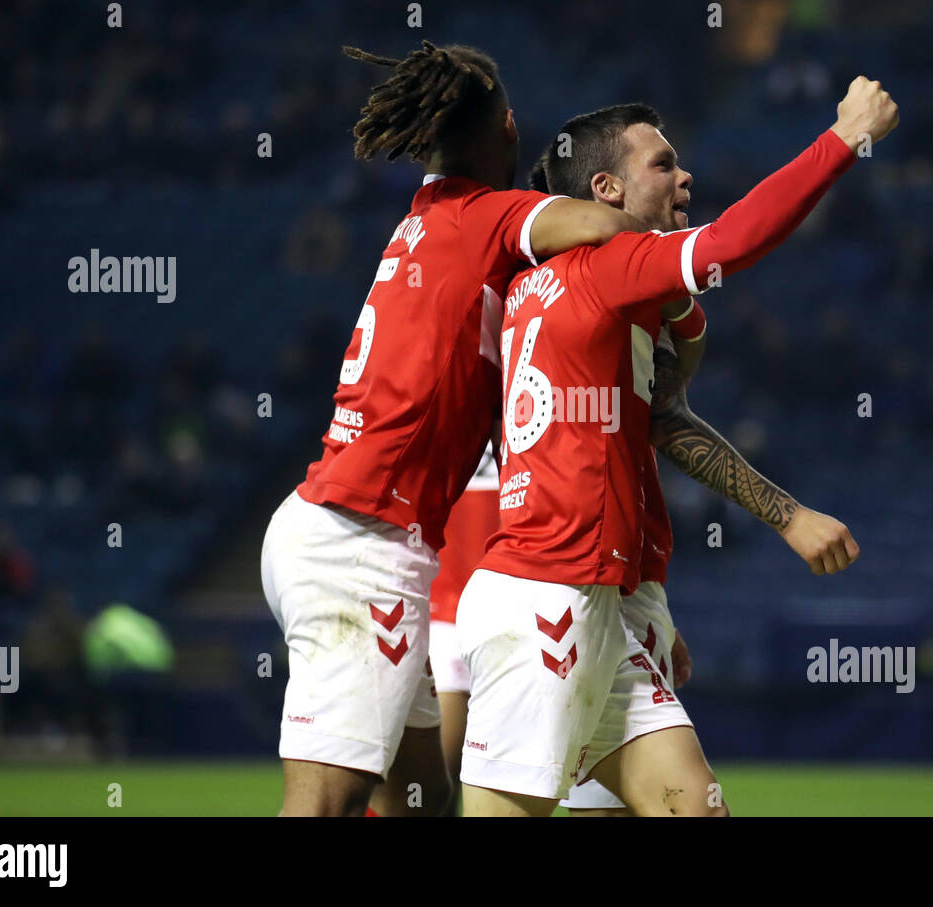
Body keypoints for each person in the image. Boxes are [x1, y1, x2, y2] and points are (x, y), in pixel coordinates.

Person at [457, 77, 898, 816]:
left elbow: (654, 419)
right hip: (546, 604)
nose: (685, 175)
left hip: (601, 600)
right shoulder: (606, 267)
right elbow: (733, 242)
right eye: (662, 164)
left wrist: (648, 592)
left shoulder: (549, 287)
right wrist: (846, 135)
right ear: (606, 189)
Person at [261, 40, 646, 817]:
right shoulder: (488, 218)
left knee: (424, 798)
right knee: (322, 809)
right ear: (506, 128)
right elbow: (602, 227)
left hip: (328, 524)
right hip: (363, 549)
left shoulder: (421, 222)